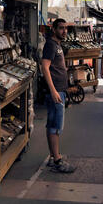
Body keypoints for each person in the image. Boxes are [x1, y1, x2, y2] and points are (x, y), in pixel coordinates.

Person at [42, 19, 76, 173]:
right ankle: (57, 160)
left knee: (52, 125)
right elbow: (45, 67)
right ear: (54, 29)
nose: (64, 31)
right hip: (56, 92)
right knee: (55, 127)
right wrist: (53, 90)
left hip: (60, 90)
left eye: (66, 29)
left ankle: (53, 156)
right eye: (61, 28)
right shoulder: (50, 44)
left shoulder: (57, 45)